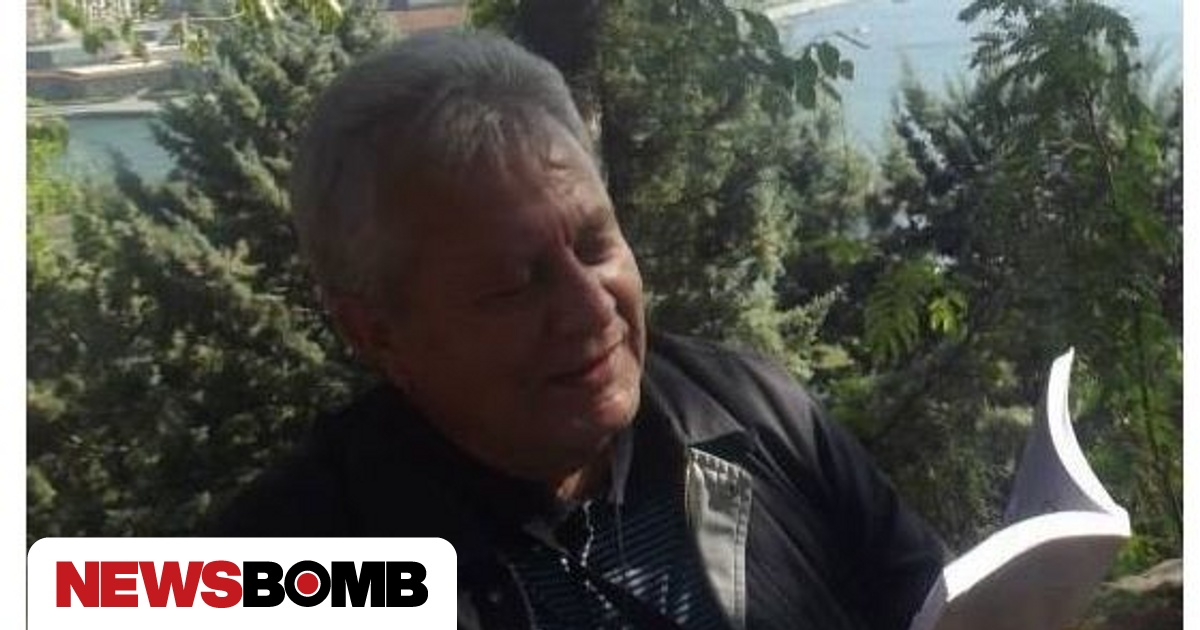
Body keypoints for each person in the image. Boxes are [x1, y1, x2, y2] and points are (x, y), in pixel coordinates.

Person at [215, 31, 945, 630]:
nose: (591, 308)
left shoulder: (753, 410)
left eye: (596, 245)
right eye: (513, 283)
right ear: (375, 333)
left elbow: (931, 605)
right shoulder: (270, 576)